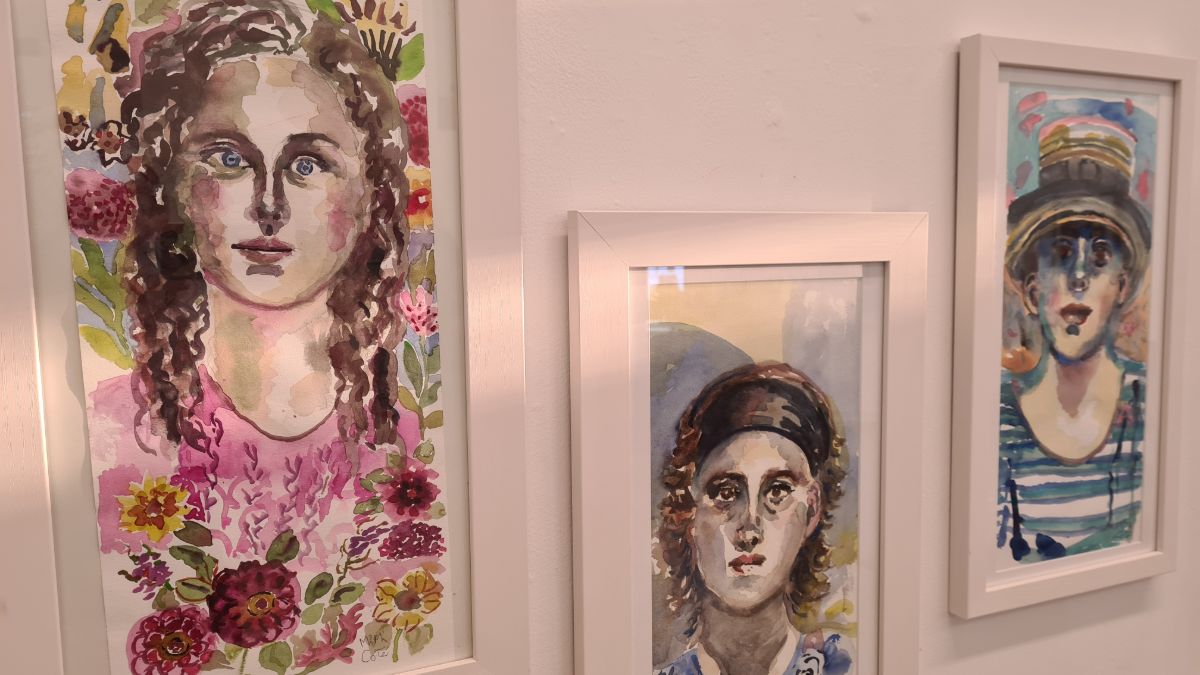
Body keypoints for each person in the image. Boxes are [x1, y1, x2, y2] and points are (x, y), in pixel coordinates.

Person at [81, 1, 447, 669]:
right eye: (229, 159)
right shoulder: (112, 436)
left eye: (308, 165)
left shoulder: (408, 447)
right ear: (174, 185)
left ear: (369, 194)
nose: (268, 204)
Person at [998, 117, 1151, 562]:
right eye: (1062, 254)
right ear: (1032, 292)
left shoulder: (1150, 406)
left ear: (1121, 288)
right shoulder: (997, 420)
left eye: (1100, 257)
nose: (1080, 277)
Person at [657, 363, 852, 675]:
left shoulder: (843, 666)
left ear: (812, 510)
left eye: (777, 491)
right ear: (689, 512)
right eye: (726, 492)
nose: (749, 530)